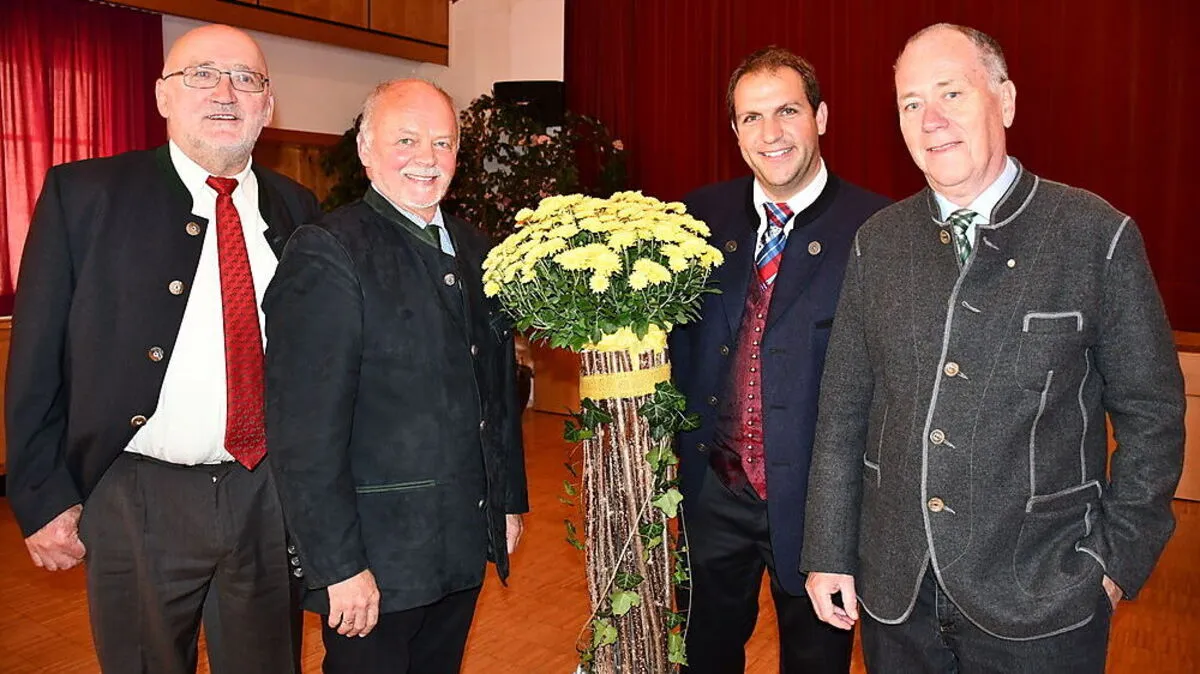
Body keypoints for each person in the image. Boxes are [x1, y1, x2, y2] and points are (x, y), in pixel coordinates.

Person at [801, 23, 1185, 674]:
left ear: (1004, 100)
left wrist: (1114, 562)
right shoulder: (878, 242)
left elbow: (1153, 415)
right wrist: (829, 550)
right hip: (897, 597)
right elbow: (843, 413)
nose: (932, 120)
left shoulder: (1096, 235)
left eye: (951, 93)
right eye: (911, 103)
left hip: (1043, 601)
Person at [5, 23, 320, 673]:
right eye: (201, 74)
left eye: (246, 79)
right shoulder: (84, 195)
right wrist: (40, 494)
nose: (225, 93)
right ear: (162, 96)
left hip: (268, 495)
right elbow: (36, 356)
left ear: (267, 104)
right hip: (135, 494)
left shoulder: (298, 207)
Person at [263, 78, 529, 674]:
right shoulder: (329, 250)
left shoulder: (478, 250)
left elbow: (496, 393)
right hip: (376, 561)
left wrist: (506, 502)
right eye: (405, 140)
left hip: (461, 543)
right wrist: (337, 566)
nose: (426, 158)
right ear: (366, 148)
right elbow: (303, 432)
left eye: (442, 142)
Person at [668, 46, 890, 673]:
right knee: (702, 657)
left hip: (820, 512)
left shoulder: (878, 231)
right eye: (751, 117)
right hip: (713, 494)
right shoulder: (695, 219)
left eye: (787, 111)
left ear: (821, 116)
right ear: (735, 130)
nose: (771, 133)